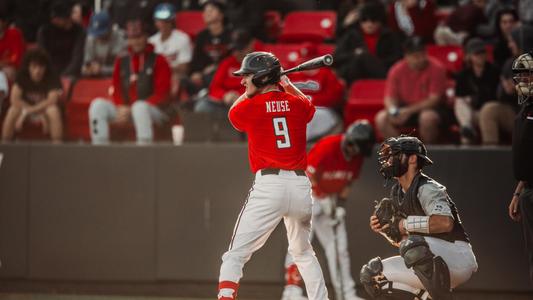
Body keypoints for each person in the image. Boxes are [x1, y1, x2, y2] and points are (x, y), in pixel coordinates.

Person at [218, 51, 329, 300]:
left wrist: (251, 92)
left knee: (235, 255)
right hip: (301, 187)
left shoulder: (250, 105)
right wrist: (288, 87)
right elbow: (310, 109)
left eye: (247, 76)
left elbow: (233, 114)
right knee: (303, 253)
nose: (242, 81)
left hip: (270, 186)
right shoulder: (297, 104)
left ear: (260, 77)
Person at [360, 135, 478, 299]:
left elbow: (445, 223)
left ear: (412, 159)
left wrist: (402, 224)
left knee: (413, 246)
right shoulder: (397, 192)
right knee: (372, 275)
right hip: (430, 255)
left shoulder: (427, 188)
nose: (388, 160)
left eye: (394, 155)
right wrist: (386, 230)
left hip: (457, 256)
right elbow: (402, 242)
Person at [281, 120, 375, 300]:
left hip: (329, 199)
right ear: (351, 143)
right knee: (300, 243)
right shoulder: (328, 146)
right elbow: (307, 175)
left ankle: (346, 294)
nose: (355, 154)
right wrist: (321, 197)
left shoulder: (358, 157)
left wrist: (339, 207)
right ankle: (291, 292)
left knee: (339, 247)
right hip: (305, 194)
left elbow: (348, 184)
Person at [88, 19, 171, 144]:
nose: (135, 41)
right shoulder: (122, 60)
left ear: (146, 37)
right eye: (131, 38)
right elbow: (116, 87)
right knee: (97, 105)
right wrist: (121, 106)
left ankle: (144, 148)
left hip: (155, 111)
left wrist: (132, 109)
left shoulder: (159, 60)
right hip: (126, 110)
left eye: (138, 37)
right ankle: (99, 146)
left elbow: (162, 94)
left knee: (140, 107)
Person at [374, 36, 448, 144]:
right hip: (405, 108)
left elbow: (434, 100)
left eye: (423, 54)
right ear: (407, 57)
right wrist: (393, 111)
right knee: (381, 118)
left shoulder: (437, 68)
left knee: (427, 118)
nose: (421, 59)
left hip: (433, 109)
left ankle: (427, 153)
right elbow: (389, 98)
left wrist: (408, 111)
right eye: (416, 56)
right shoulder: (396, 70)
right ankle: (403, 150)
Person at [508, 50, 533, 284]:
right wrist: (518, 191)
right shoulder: (525, 109)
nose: (524, 80)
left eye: (529, 74)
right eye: (521, 75)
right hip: (528, 191)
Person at [1, 48, 63, 142]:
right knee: (12, 110)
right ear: (28, 67)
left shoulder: (52, 76)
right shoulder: (22, 75)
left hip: (43, 110)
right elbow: (14, 100)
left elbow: (52, 100)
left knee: (53, 111)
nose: (37, 71)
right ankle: (4, 145)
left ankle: (58, 147)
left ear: (46, 67)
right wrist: (26, 112)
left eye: (41, 67)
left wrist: (32, 112)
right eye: (34, 67)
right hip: (24, 108)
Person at [334, 1, 403, 84]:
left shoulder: (390, 36)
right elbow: (337, 58)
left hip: (381, 74)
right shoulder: (351, 35)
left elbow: (396, 59)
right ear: (359, 21)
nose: (369, 24)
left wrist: (371, 60)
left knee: (363, 57)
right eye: (364, 20)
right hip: (354, 75)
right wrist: (355, 54)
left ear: (380, 21)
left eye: (373, 20)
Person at [194, 29, 258, 116]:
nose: (236, 53)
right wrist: (224, 96)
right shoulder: (227, 63)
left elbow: (262, 90)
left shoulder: (260, 62)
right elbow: (214, 87)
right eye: (234, 49)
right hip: (226, 105)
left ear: (251, 45)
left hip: (249, 105)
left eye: (240, 49)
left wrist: (240, 96)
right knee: (202, 106)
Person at [453, 37, 500, 144]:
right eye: (476, 53)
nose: (480, 56)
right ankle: (467, 129)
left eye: (482, 52)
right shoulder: (463, 74)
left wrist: (474, 98)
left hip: (487, 111)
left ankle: (467, 128)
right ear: (469, 56)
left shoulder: (494, 71)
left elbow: (496, 97)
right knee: (460, 103)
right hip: (470, 113)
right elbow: (460, 96)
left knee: (481, 114)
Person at [185, 0, 232, 97]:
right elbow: (196, 60)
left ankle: (205, 94)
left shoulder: (230, 35)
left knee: (213, 77)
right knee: (184, 79)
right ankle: (204, 93)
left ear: (221, 14)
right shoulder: (202, 36)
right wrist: (196, 73)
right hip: (204, 76)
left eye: (211, 10)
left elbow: (233, 59)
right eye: (205, 11)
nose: (207, 13)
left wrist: (216, 67)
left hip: (223, 75)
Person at [288, 66, 345, 142]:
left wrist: (308, 100)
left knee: (306, 115)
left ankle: (297, 144)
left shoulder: (326, 73)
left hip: (322, 110)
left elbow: (334, 97)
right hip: (296, 109)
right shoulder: (292, 74)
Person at [149, 2, 193, 95]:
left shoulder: (182, 38)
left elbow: (184, 67)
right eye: (159, 21)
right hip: (155, 77)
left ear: (172, 21)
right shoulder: (151, 41)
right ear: (155, 22)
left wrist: (162, 69)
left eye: (166, 21)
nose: (163, 24)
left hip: (176, 77)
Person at [37, 1, 85, 77]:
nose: (54, 20)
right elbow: (43, 55)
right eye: (53, 17)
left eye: (57, 18)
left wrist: (65, 75)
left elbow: (77, 58)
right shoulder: (44, 31)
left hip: (71, 74)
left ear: (66, 18)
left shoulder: (79, 31)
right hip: (49, 73)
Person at [82, 12, 127, 77]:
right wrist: (88, 68)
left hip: (116, 78)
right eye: (96, 34)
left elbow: (124, 69)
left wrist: (102, 69)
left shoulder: (121, 39)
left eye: (101, 34)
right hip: (96, 79)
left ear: (110, 28)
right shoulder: (90, 39)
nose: (98, 37)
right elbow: (87, 63)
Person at [0, 8, 25, 81]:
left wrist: (2, 63)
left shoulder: (14, 33)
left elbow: (16, 58)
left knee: (8, 72)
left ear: (4, 22)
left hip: (11, 68)